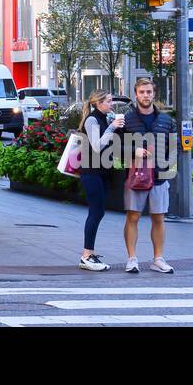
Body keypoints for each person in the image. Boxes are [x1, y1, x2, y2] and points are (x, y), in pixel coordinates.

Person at [116, 77, 175, 274]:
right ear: (136, 94)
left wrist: (167, 166)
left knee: (159, 218)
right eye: (142, 92)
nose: (146, 95)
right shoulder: (126, 119)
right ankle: (132, 259)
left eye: (149, 92)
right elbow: (116, 147)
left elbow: (173, 147)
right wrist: (134, 151)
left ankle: (158, 259)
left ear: (154, 94)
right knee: (133, 217)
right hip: (135, 177)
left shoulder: (167, 120)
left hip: (159, 176)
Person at [77, 92, 122, 271]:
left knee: (99, 212)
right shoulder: (92, 120)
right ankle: (86, 255)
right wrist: (112, 127)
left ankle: (89, 253)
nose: (112, 104)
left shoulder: (103, 117)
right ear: (98, 103)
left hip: (101, 171)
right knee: (95, 212)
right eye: (109, 101)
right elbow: (97, 145)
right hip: (91, 171)